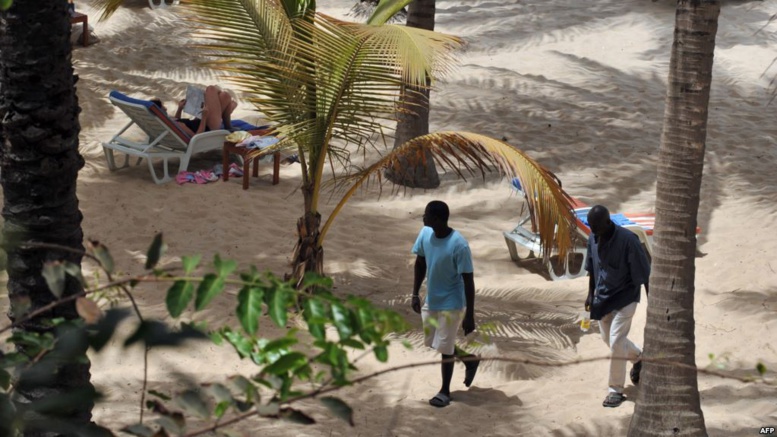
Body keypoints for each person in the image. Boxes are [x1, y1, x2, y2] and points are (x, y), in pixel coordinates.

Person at [411, 200, 480, 408]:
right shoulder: (425, 234)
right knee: (433, 341)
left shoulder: (459, 245)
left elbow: (468, 280)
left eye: (427, 215)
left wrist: (469, 315)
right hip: (433, 299)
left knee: (445, 348)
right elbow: (420, 262)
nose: (423, 217)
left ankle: (444, 391)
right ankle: (469, 360)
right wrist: (414, 293)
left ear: (438, 219)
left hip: (452, 302)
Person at [584, 204, 651, 408]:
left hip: (625, 297)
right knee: (608, 339)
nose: (593, 230)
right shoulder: (592, 238)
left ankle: (615, 390)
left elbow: (645, 275)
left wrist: (653, 304)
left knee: (616, 341)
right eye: (591, 226)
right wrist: (590, 294)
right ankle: (639, 358)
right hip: (603, 298)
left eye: (596, 226)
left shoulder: (628, 241)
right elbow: (593, 269)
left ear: (607, 222)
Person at [150, 85, 237, 136]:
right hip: (209, 128)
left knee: (224, 97)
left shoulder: (166, 122)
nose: (165, 108)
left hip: (201, 120)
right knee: (211, 89)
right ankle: (228, 122)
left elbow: (177, 120)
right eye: (162, 106)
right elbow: (196, 137)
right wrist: (204, 117)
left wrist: (179, 108)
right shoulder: (174, 124)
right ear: (159, 111)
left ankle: (228, 119)